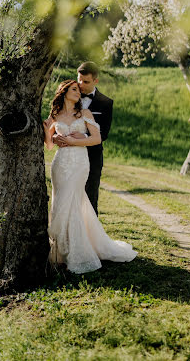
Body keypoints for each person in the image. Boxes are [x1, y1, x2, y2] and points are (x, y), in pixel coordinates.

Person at [43, 80, 137, 274]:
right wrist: (49, 133)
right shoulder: (55, 114)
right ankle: (60, 252)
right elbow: (50, 146)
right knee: (60, 203)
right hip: (60, 164)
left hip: (79, 162)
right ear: (64, 92)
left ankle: (77, 253)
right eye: (74, 89)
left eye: (79, 90)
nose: (79, 92)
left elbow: (96, 139)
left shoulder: (84, 114)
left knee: (71, 201)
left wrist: (72, 140)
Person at [53, 61, 113, 215]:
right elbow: (57, 122)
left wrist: (84, 136)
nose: (80, 84)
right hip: (67, 157)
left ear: (95, 81)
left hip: (92, 156)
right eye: (78, 79)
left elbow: (104, 133)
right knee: (66, 196)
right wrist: (55, 137)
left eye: (85, 81)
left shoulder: (105, 103)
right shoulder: (71, 95)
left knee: (90, 196)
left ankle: (89, 235)